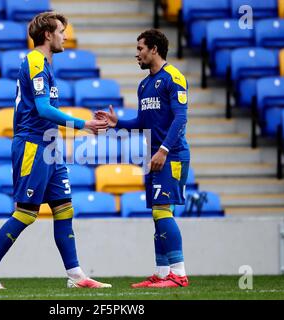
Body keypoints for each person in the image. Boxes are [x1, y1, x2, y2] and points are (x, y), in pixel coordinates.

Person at [0, 12, 111, 289]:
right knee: (26, 213)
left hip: (50, 145)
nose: (65, 36)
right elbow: (42, 109)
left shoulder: (46, 64)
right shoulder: (36, 61)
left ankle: (75, 275)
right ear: (48, 35)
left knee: (64, 210)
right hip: (32, 145)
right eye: (62, 31)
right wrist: (83, 124)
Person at [95, 29, 189, 288]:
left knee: (162, 211)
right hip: (154, 156)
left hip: (171, 155)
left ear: (154, 50)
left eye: (140, 49)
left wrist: (164, 150)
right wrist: (117, 123)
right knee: (158, 214)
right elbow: (142, 123)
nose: (136, 54)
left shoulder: (173, 77)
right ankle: (161, 273)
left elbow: (181, 118)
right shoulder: (145, 85)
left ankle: (179, 274)